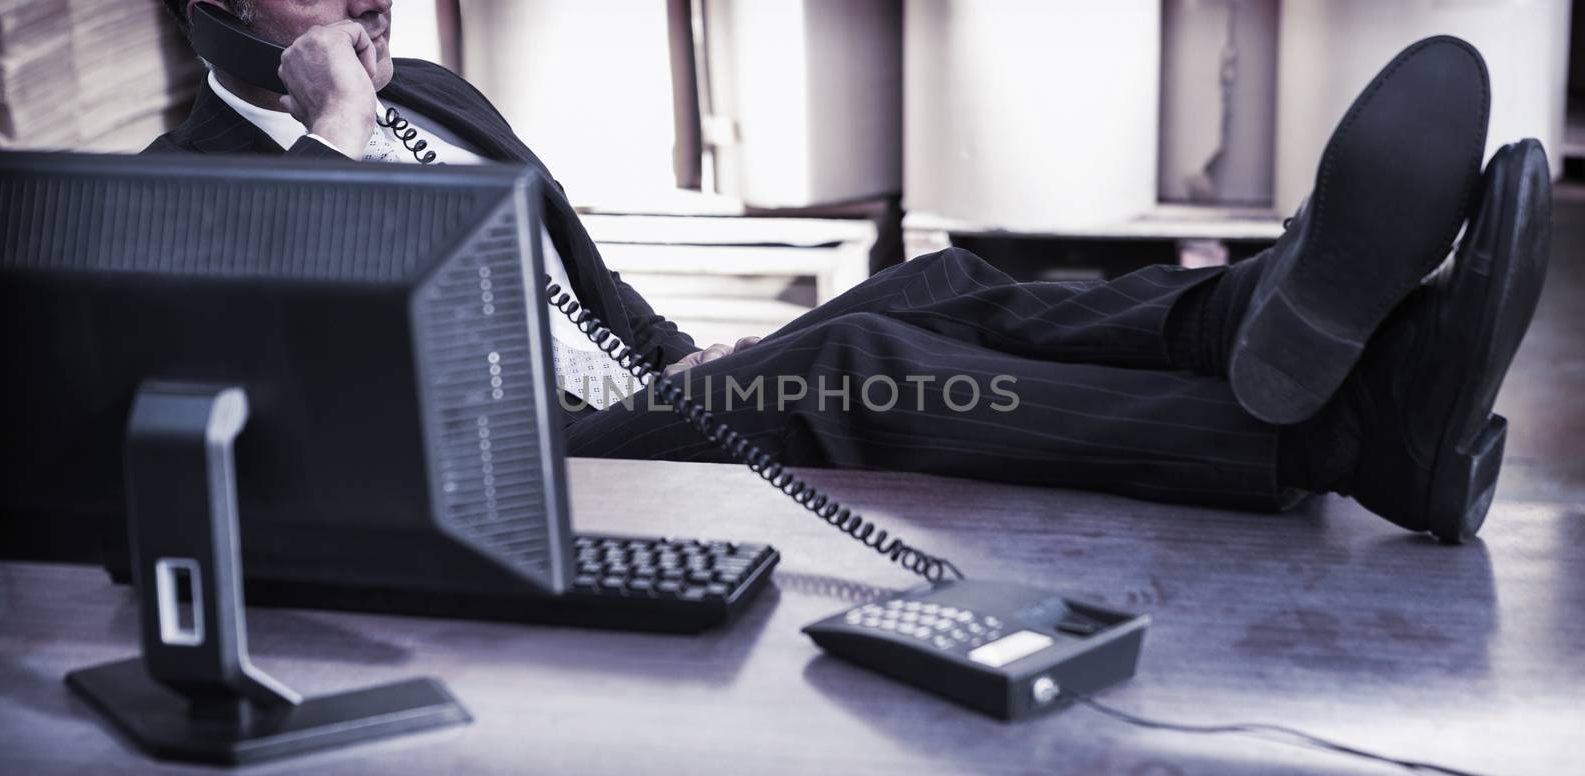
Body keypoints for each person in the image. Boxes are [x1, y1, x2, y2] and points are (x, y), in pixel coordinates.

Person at [152, 0, 1551, 543]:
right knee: (851, 371)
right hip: (503, 471)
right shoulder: (184, 190)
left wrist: (678, 359)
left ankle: (1267, 317)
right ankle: (1354, 427)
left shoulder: (442, 93)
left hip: (615, 405)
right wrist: (331, 139)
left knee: (913, 291)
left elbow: (569, 268)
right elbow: (331, 401)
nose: (367, 1)